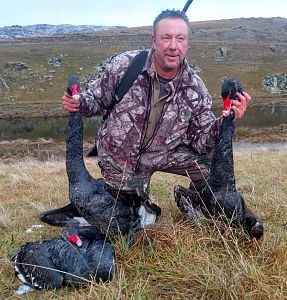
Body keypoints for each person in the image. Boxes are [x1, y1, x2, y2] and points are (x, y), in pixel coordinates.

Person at [39, 9, 262, 236]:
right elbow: (95, 101)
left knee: (215, 165)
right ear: (154, 40)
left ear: (187, 44)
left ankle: (198, 202)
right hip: (121, 160)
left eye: (180, 38)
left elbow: (202, 140)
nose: (173, 46)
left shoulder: (195, 88)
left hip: (163, 154)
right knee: (131, 225)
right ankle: (101, 203)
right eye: (166, 38)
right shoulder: (125, 66)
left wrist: (225, 121)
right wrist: (77, 103)